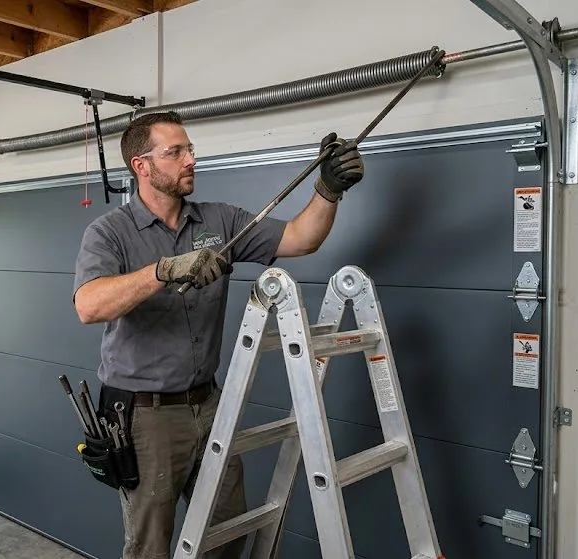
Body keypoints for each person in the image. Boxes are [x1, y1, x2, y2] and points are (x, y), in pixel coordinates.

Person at [71, 110, 364, 559]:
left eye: (190, 149)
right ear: (142, 166)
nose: (191, 159)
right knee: (150, 547)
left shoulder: (219, 222)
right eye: (176, 152)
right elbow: (89, 305)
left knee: (228, 532)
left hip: (209, 406)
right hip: (145, 418)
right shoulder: (109, 233)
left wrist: (328, 189)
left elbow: (301, 239)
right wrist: (164, 271)